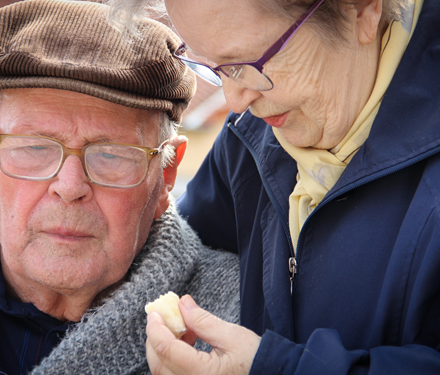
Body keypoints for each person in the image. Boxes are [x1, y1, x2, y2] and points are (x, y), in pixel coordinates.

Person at [105, 0, 440, 374]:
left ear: (361, 10)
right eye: (215, 68)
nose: (235, 101)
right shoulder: (247, 140)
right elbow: (182, 250)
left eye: (251, 63)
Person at [0, 0, 240, 374]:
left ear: (165, 175)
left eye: (112, 155)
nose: (69, 187)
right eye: (34, 147)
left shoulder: (239, 321)